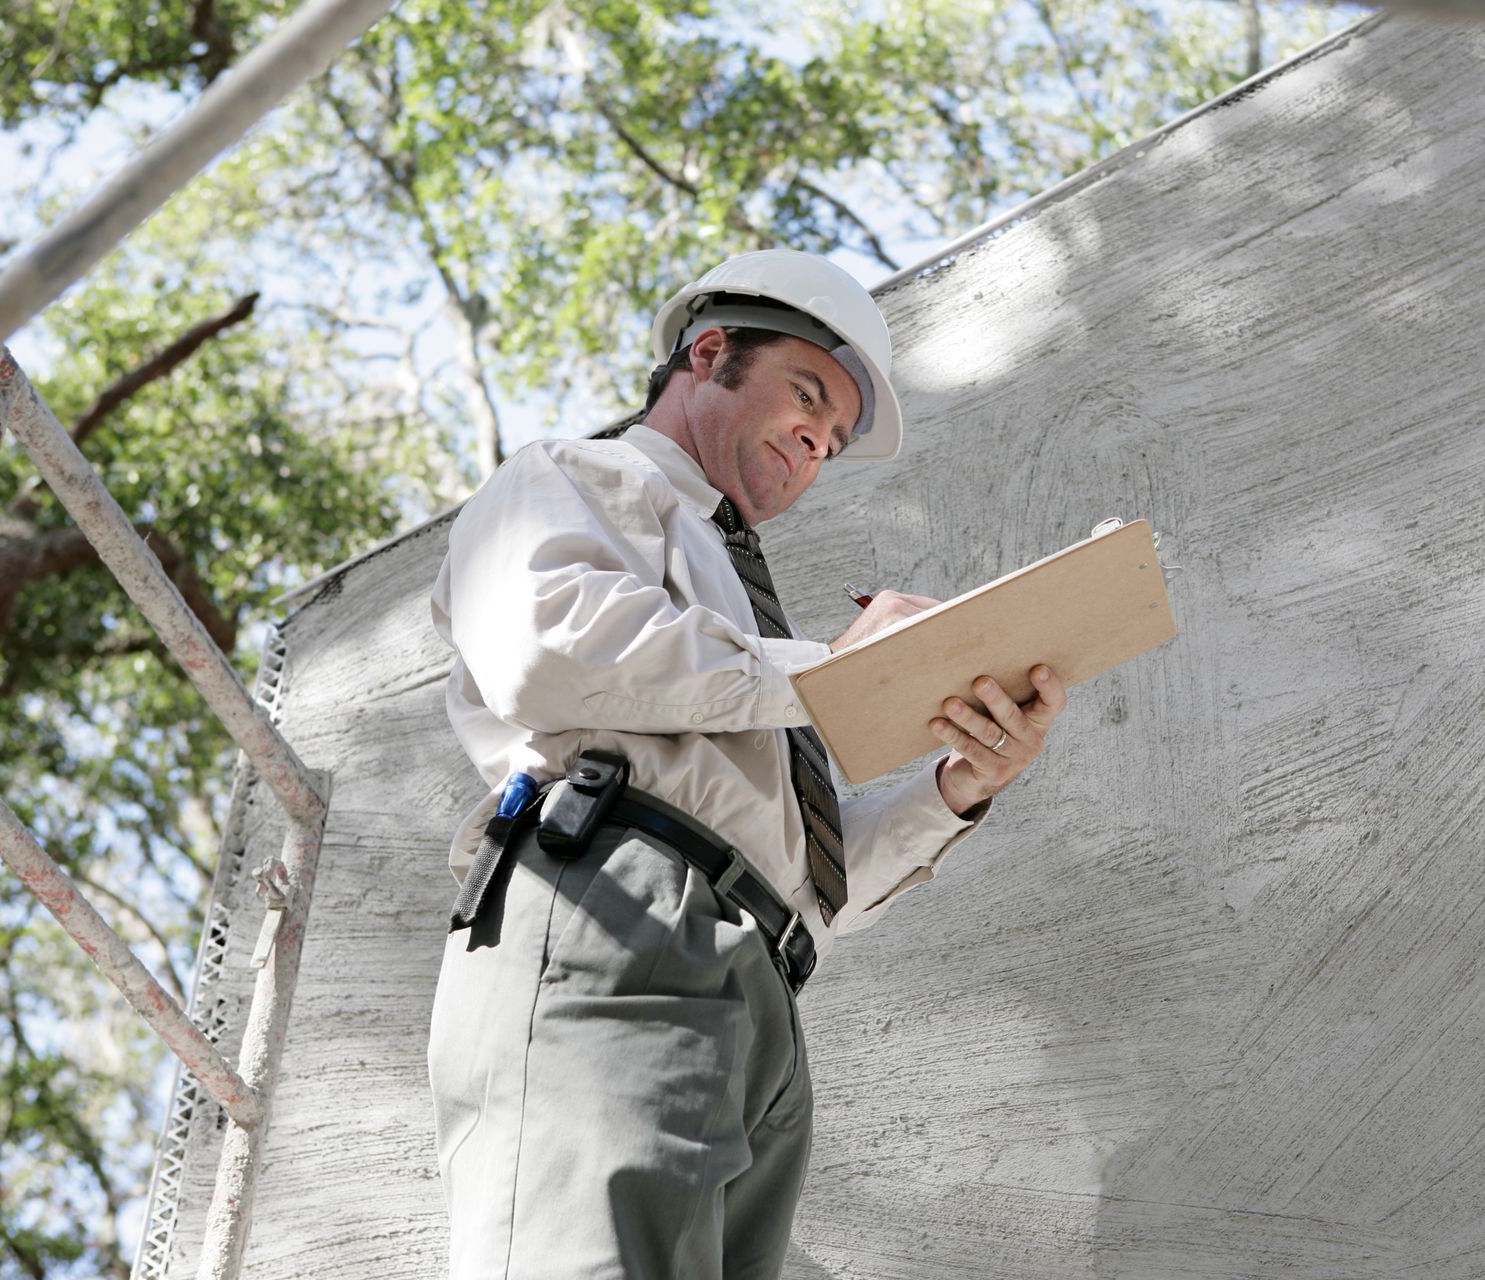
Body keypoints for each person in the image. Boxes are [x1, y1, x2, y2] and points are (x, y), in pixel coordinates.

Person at [426, 249, 1067, 1279]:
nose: (815, 444)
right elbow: (548, 649)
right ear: (710, 352)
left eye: (833, 440)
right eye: (806, 396)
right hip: (617, 913)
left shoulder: (747, 635)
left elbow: (805, 876)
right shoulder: (573, 476)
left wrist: (957, 786)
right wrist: (836, 673)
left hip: (761, 981)